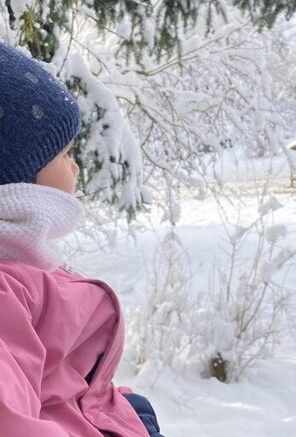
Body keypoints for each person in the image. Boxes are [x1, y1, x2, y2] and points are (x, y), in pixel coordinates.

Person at [0, 42, 164, 436]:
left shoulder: (24, 265)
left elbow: (59, 380)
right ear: (16, 173)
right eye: (64, 153)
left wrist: (116, 409)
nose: (75, 167)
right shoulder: (7, 291)